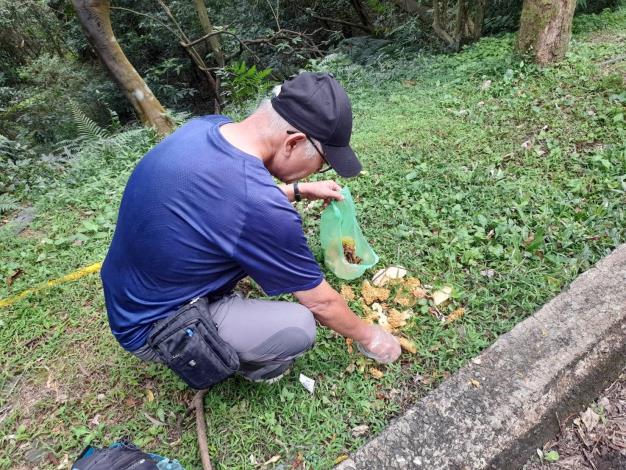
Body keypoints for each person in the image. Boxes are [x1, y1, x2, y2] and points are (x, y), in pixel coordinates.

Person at [100, 72, 400, 384]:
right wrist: (371, 336)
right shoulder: (258, 208)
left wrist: (297, 190)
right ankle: (251, 363)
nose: (317, 171)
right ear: (294, 142)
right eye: (322, 163)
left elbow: (216, 199)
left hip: (128, 292)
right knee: (299, 326)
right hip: (153, 325)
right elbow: (321, 303)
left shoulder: (207, 127)